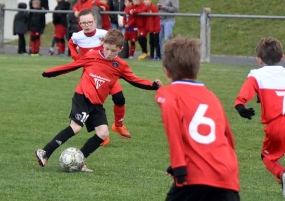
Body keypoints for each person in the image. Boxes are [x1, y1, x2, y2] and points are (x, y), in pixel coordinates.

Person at [34, 29, 162, 171]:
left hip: (97, 103)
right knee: (76, 127)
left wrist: (153, 86)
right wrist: (51, 73)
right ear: (102, 44)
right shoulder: (92, 55)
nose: (108, 53)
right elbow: (72, 66)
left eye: (113, 50)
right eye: (106, 49)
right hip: (83, 96)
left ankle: (78, 160)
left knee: (103, 133)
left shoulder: (121, 66)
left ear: (120, 49)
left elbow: (135, 80)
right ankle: (45, 151)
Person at [155, 36, 240, 201]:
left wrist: (178, 165)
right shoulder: (211, 97)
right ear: (197, 69)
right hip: (227, 177)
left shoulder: (168, 93)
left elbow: (173, 126)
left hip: (193, 177)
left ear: (166, 70)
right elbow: (228, 139)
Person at [68, 9, 130, 146]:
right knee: (94, 104)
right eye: (83, 23)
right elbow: (71, 43)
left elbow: (114, 45)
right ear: (80, 23)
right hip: (91, 76)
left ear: (95, 21)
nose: (87, 25)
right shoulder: (77, 36)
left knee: (119, 98)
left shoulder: (103, 34)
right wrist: (76, 57)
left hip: (108, 74)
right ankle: (101, 134)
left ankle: (118, 125)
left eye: (89, 22)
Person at [234, 37, 285, 198]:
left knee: (267, 156)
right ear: (282, 57)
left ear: (259, 60)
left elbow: (242, 97)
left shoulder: (257, 75)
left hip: (277, 125)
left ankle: (282, 174)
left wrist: (241, 108)